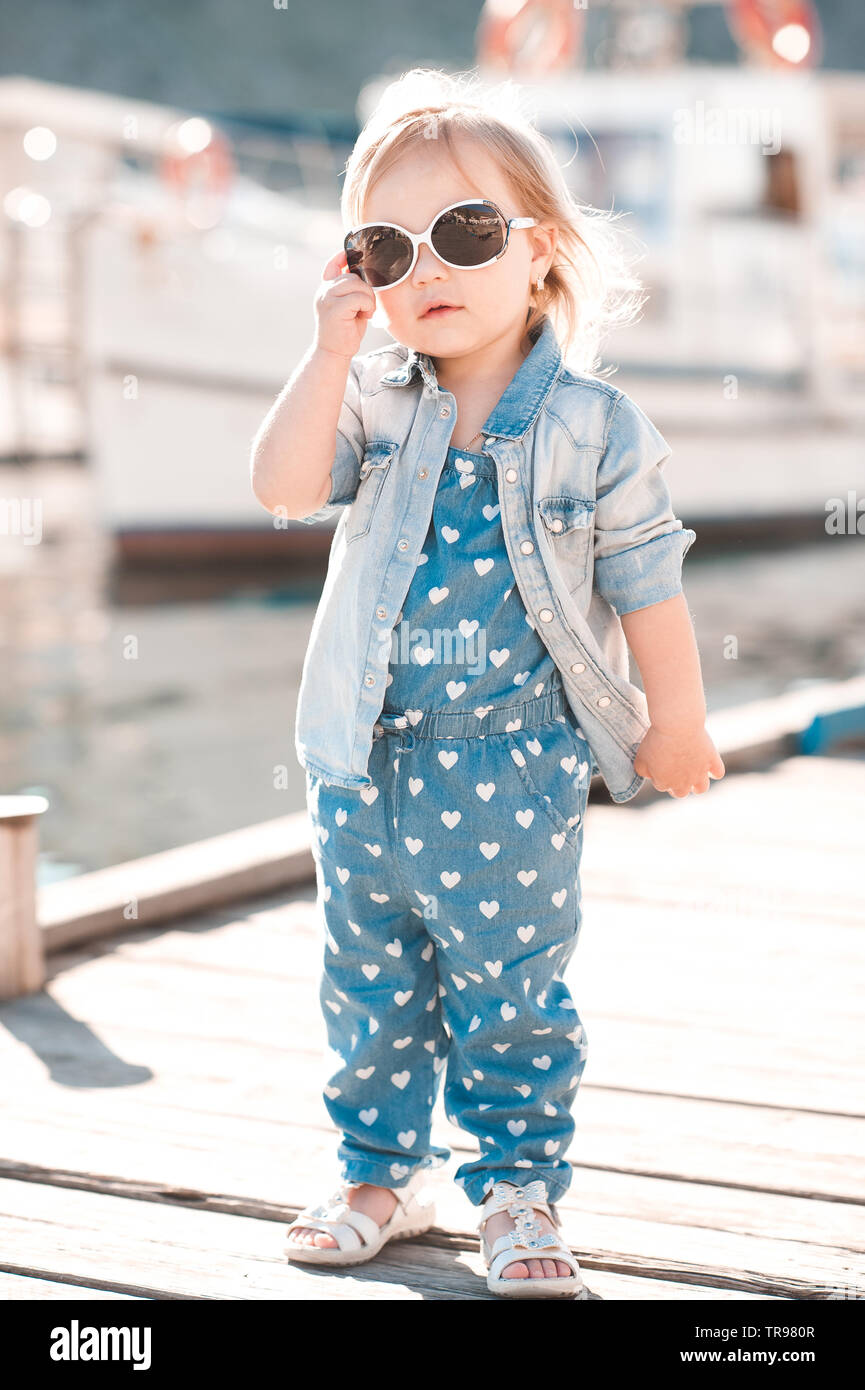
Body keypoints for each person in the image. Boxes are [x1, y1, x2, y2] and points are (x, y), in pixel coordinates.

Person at [251, 67, 725, 1298]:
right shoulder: (368, 397)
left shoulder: (594, 424)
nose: (427, 271)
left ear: (541, 251)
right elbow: (285, 488)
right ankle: (377, 1170)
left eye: (464, 233)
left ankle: (517, 1187)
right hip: (359, 751)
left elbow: (646, 579)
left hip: (508, 760)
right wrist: (325, 346)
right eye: (387, 248)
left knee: (509, 983)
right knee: (368, 973)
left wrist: (677, 720)